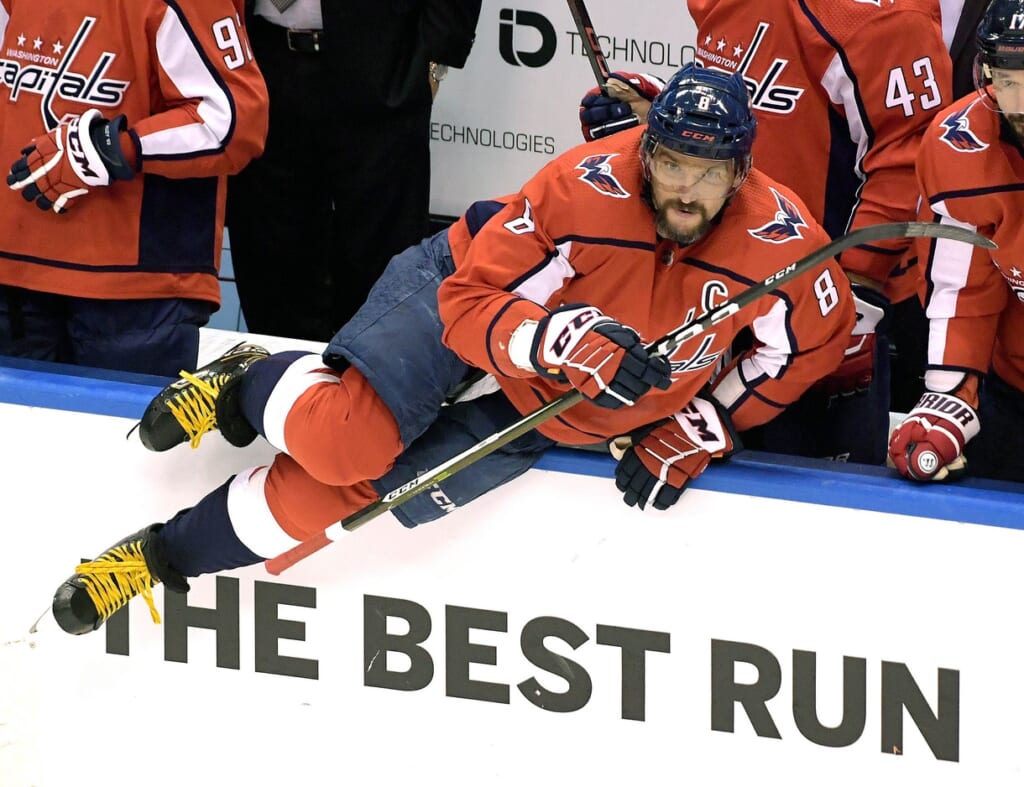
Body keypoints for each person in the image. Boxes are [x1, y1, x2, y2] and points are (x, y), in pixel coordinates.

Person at [49, 65, 856, 636]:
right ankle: (244, 383)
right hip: (465, 290)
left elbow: (807, 347)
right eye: (671, 163)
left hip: (554, 408)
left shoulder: (782, 242)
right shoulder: (580, 187)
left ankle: (158, 555)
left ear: (742, 172)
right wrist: (557, 339)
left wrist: (706, 421)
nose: (684, 189)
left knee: (343, 500)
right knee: (345, 439)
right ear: (647, 150)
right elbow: (469, 303)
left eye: (708, 173)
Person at [580, 0, 954, 464]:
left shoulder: (882, 18)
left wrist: (854, 296)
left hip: (810, 305)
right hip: (711, 291)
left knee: (808, 490)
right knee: (686, 473)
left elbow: (910, 162)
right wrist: (668, 118)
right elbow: (763, 108)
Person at [0, 0, 269, 377]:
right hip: (15, 270)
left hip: (140, 286)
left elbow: (235, 120)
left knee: (118, 418)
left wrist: (113, 147)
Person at [224, 1, 482, 342]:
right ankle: (281, 370)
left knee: (382, 262)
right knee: (271, 257)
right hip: (257, 59)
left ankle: (368, 372)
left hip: (384, 61)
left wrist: (438, 56)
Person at [889, 0, 1024, 484]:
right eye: (1009, 80)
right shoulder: (960, 146)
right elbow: (963, 291)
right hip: (1013, 385)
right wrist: (950, 395)